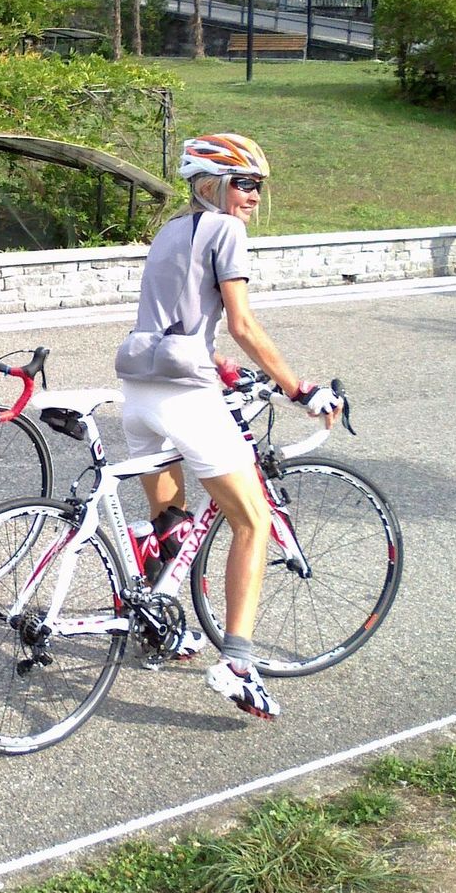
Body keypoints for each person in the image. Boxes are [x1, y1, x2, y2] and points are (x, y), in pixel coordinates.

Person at [115, 134, 340, 721]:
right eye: (244, 184)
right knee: (252, 521)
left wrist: (217, 362)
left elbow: (175, 318)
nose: (254, 197)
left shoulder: (169, 231)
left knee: (171, 518)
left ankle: (158, 621)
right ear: (210, 185)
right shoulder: (226, 231)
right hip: (184, 397)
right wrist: (300, 389)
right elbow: (242, 322)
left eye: (258, 186)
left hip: (138, 389)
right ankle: (237, 664)